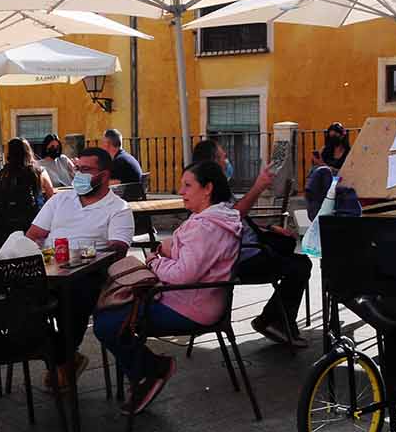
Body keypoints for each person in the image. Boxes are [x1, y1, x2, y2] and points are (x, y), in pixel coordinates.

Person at [94, 160, 242, 414]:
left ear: (207, 189)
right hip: (197, 299)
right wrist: (168, 250)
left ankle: (151, 371)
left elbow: (184, 273)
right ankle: (145, 372)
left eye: (188, 185)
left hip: (189, 305)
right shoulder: (216, 219)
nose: (181, 191)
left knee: (106, 322)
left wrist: (155, 262)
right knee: (110, 314)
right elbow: (189, 257)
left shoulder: (205, 226)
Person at [25, 147, 135, 387]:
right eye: (77, 169)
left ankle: (62, 360)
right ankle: (65, 359)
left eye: (85, 170)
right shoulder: (60, 200)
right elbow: (33, 235)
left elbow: (117, 252)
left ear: (104, 175)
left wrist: (80, 257)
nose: (78, 175)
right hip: (48, 271)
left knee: (72, 298)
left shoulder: (119, 209)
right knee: (17, 303)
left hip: (88, 275)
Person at [193, 138, 311, 346]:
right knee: (300, 265)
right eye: (223, 157)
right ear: (212, 163)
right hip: (241, 257)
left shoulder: (217, 189)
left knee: (287, 244)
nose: (227, 161)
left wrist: (269, 227)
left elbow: (236, 213)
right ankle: (273, 321)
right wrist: (258, 185)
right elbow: (231, 217)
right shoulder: (206, 192)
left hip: (249, 246)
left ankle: (275, 319)